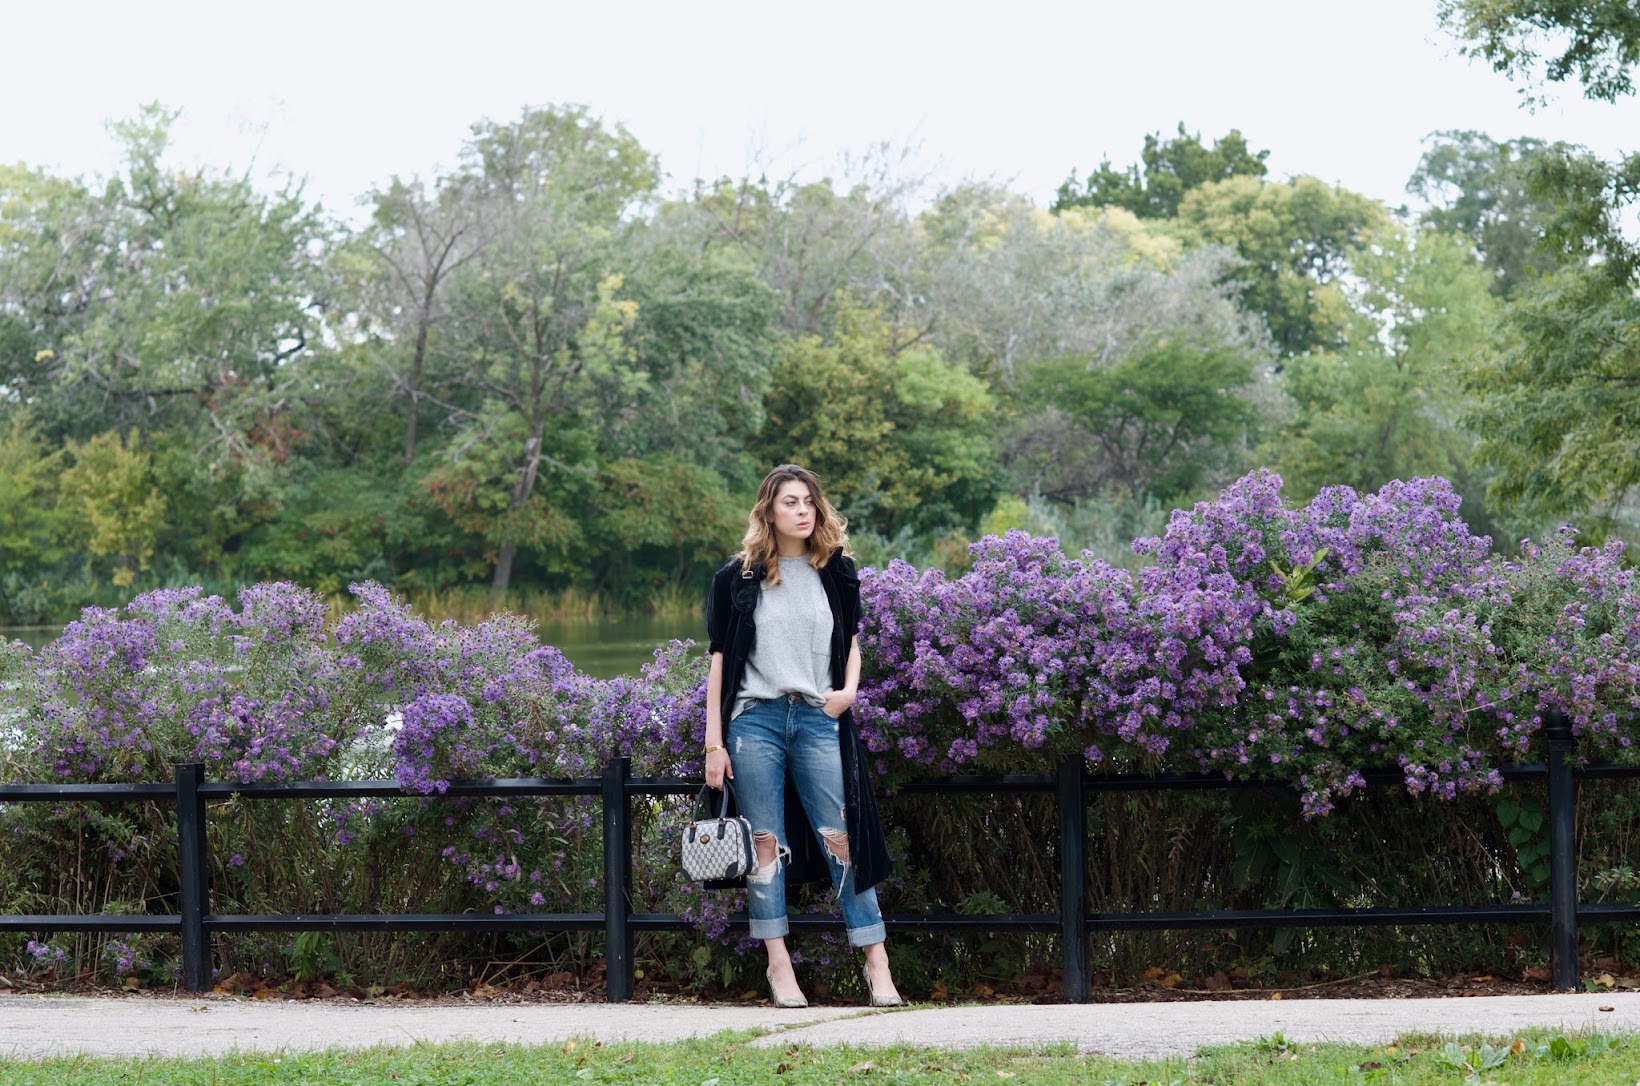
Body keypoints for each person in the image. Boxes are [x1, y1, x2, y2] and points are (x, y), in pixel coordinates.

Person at [703, 464, 903, 1009]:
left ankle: (877, 963)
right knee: (764, 845)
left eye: (809, 501)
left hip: (819, 718)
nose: (802, 510)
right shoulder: (735, 579)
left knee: (842, 838)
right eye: (790, 502)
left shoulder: (836, 572)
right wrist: (713, 744)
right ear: (768, 510)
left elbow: (853, 641)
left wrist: (849, 692)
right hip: (755, 722)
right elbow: (719, 667)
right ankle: (779, 966)